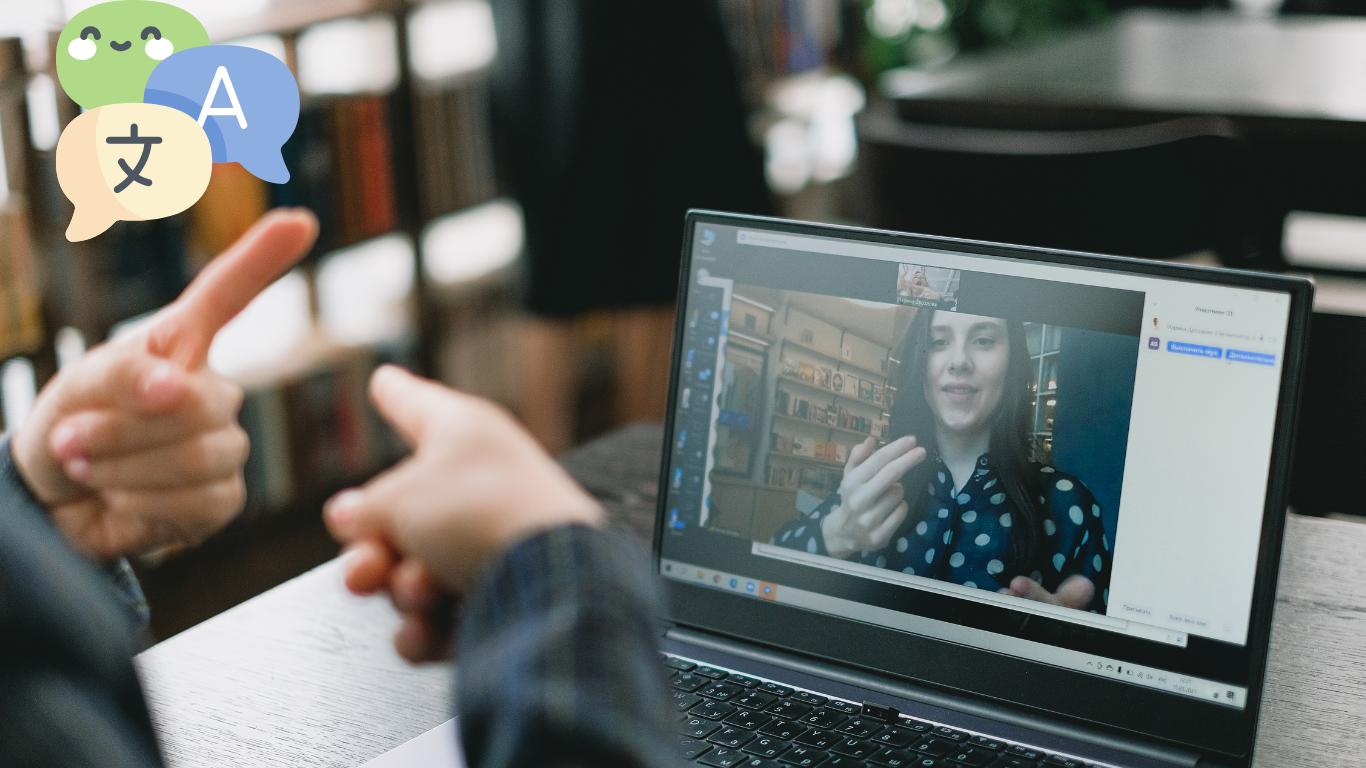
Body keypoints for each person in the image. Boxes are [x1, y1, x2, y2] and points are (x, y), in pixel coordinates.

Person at [772, 309, 1112, 611]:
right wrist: (837, 534)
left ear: (1012, 364)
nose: (959, 361)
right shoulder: (876, 483)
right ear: (920, 364)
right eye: (938, 342)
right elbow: (762, 583)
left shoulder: (1067, 500)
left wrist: (1061, 628)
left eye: (983, 340)